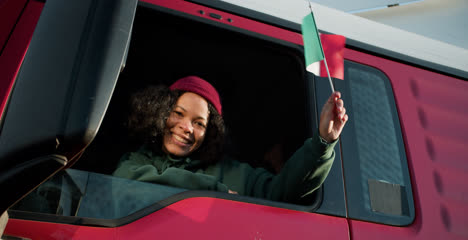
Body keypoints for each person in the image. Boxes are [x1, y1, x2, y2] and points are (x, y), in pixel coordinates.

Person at [113, 76, 348, 204]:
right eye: (178, 113)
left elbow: (282, 191)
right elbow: (125, 183)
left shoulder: (235, 174)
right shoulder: (137, 159)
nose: (186, 128)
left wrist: (323, 143)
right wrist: (213, 191)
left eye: (199, 123)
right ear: (161, 113)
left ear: (210, 133)